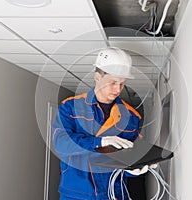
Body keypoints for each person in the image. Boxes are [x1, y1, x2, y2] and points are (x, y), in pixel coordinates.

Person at [52, 47, 149, 200]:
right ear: (97, 77)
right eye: (113, 82)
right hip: (76, 193)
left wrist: (136, 168)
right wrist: (100, 141)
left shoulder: (131, 117)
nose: (118, 89)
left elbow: (130, 155)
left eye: (122, 83)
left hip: (114, 193)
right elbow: (61, 144)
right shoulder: (70, 107)